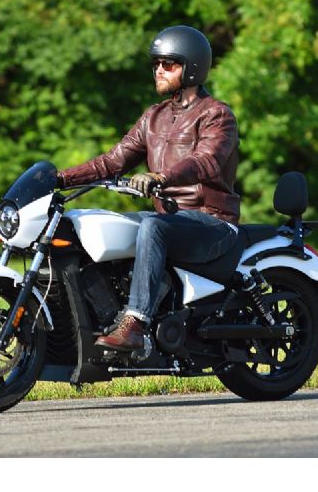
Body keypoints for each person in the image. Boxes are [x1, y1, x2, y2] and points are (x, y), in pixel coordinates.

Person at [57, 25, 240, 351]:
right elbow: (112, 162)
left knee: (153, 227)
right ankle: (95, 319)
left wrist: (161, 177)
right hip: (170, 220)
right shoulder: (153, 117)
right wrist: (59, 179)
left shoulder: (217, 115)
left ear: (192, 67)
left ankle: (136, 324)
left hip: (212, 222)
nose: (158, 70)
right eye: (156, 63)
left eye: (168, 64)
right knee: (91, 224)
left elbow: (206, 161)